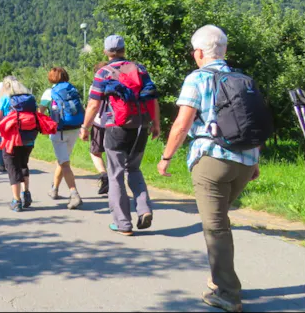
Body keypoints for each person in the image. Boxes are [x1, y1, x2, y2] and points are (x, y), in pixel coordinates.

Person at [157, 25, 264, 313]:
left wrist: (166, 157)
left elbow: (182, 123)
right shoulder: (244, 78)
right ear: (225, 50)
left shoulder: (198, 78)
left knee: (215, 227)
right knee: (219, 220)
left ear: (198, 53)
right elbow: (254, 122)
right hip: (245, 162)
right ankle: (219, 278)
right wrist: (255, 161)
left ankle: (227, 293)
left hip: (211, 162)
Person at [80, 35, 160, 236]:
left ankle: (123, 223)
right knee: (134, 170)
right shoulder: (140, 69)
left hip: (116, 128)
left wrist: (85, 127)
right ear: (124, 49)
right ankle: (144, 209)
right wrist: (156, 123)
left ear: (106, 52)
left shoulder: (103, 72)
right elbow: (152, 98)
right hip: (140, 126)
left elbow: (93, 104)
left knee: (115, 175)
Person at [0, 76, 56, 212]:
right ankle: (26, 193)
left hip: (11, 140)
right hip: (28, 139)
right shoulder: (29, 99)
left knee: (12, 168)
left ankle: (16, 201)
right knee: (23, 165)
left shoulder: (5, 99)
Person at [39, 67, 85, 210]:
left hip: (59, 131)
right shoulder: (73, 89)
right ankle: (54, 189)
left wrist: (44, 127)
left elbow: (40, 112)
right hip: (74, 128)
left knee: (64, 163)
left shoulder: (49, 92)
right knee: (63, 160)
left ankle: (74, 193)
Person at [89, 61, 110, 195]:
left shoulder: (95, 86)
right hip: (116, 122)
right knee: (112, 153)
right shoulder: (118, 85)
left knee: (95, 152)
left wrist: (85, 126)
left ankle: (104, 175)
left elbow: (92, 106)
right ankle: (114, 180)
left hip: (99, 122)